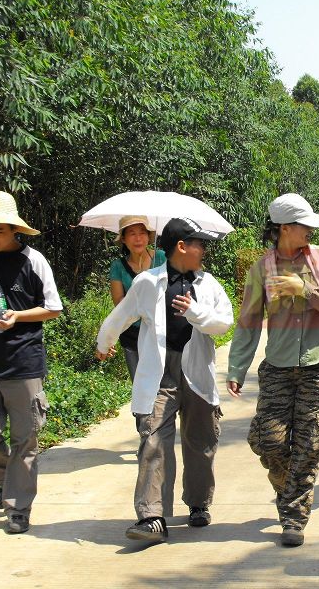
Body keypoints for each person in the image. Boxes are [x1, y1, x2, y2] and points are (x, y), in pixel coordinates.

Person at [96, 217, 232, 543]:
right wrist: (104, 342)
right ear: (182, 247)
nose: (204, 251)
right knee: (153, 438)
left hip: (197, 371)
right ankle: (152, 516)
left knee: (200, 441)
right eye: (199, 244)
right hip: (161, 373)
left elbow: (224, 323)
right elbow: (120, 315)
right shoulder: (147, 282)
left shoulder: (208, 284)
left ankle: (199, 503)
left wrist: (195, 313)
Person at [227, 193, 319, 547]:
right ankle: (290, 489)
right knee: (268, 442)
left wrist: (306, 289)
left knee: (309, 444)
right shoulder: (262, 268)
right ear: (284, 228)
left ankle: (293, 515)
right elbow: (249, 322)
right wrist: (237, 368)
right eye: (304, 225)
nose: (310, 230)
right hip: (278, 367)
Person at [0, 190, 63, 534]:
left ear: (14, 230)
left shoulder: (33, 260)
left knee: (25, 439)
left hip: (22, 363)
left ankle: (18, 508)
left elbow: (53, 307)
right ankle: (9, 480)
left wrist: (17, 317)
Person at [108, 215, 166, 380]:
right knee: (141, 384)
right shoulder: (118, 266)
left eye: (142, 232)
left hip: (160, 331)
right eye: (132, 233)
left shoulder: (162, 258)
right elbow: (119, 303)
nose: (138, 238)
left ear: (149, 236)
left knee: (164, 386)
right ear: (124, 239)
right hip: (132, 335)